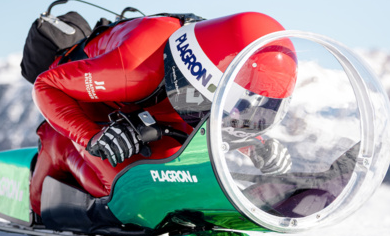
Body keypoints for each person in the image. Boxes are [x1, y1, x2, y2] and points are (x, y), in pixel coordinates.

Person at [29, 11, 297, 216]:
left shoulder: (200, 71)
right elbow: (46, 85)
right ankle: (58, 146)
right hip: (87, 99)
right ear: (205, 80)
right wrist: (92, 136)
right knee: (130, 191)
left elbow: (221, 113)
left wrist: (254, 145)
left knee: (174, 180)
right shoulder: (134, 68)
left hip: (153, 106)